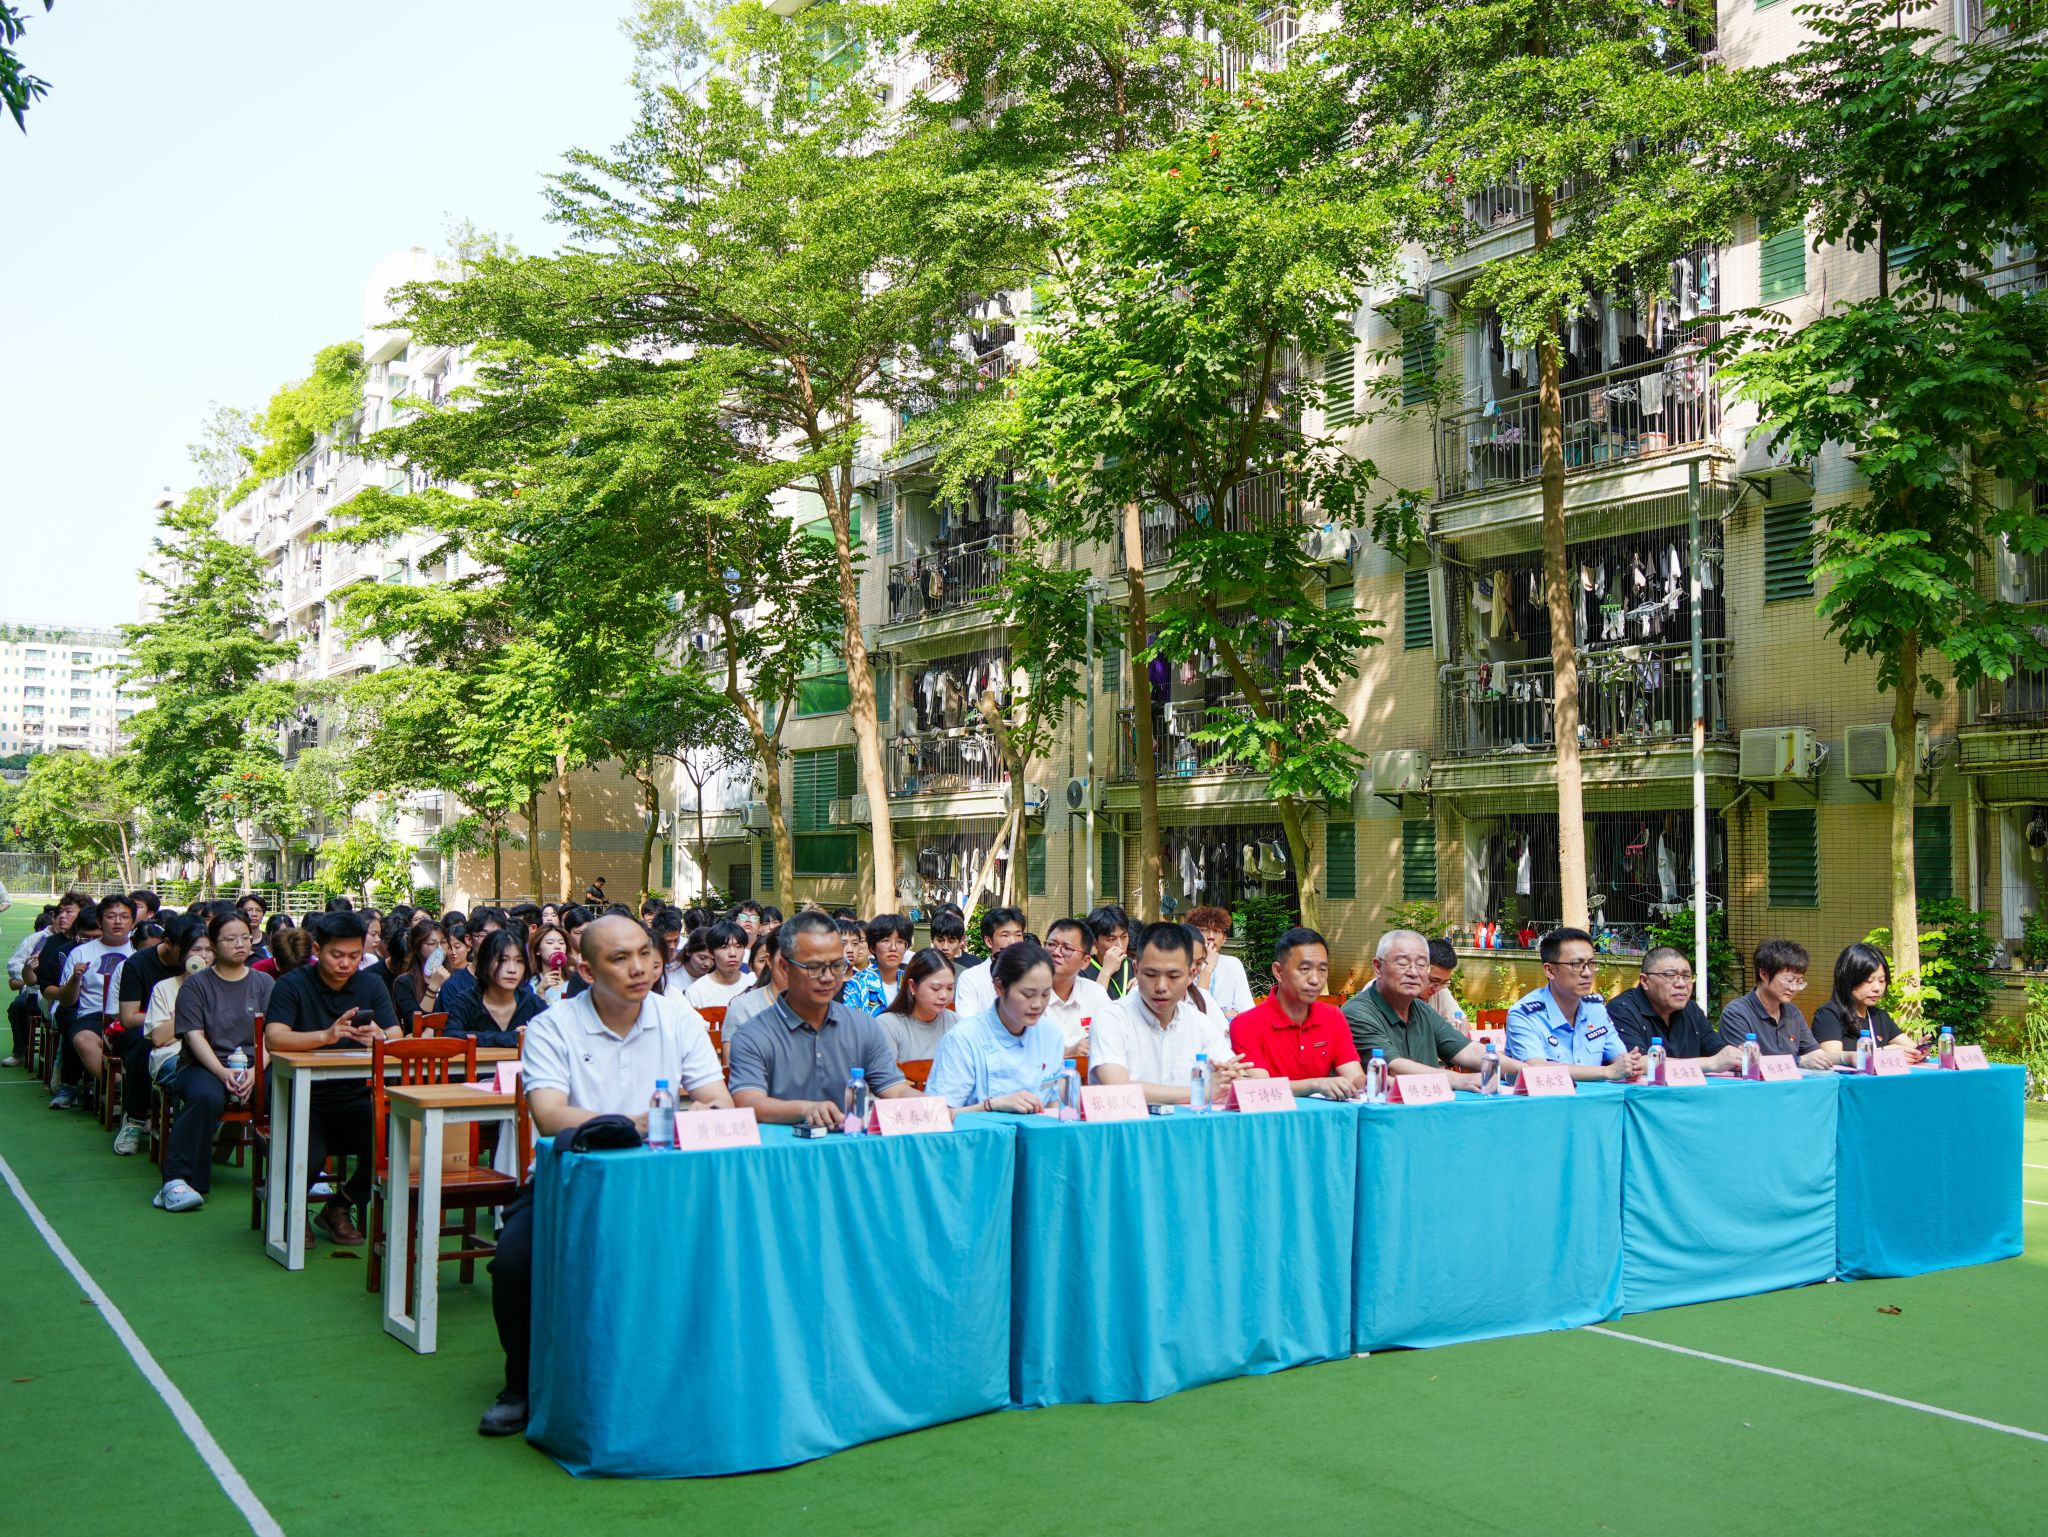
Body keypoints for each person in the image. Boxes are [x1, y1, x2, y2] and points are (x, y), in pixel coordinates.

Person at [482, 915, 735, 1437]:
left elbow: (718, 1101)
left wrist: (683, 1117)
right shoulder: (553, 1025)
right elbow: (550, 1115)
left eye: (644, 954)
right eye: (619, 959)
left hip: (664, 1181)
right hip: (569, 1180)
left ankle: (700, 1376)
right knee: (514, 1260)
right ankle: (520, 1386)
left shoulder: (678, 1018)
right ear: (586, 970)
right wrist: (635, 1123)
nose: (638, 968)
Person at [263, 912, 399, 1246]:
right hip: (300, 1096)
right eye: (336, 955)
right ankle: (293, 1208)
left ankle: (339, 1205)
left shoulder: (370, 984)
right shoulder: (292, 984)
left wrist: (380, 1036)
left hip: (355, 1095)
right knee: (310, 1157)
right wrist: (326, 1036)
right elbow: (274, 1038)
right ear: (317, 949)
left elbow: (396, 1036)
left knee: (394, 1143)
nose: (345, 964)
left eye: (354, 956)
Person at [727, 910, 923, 1127]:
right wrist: (806, 1109)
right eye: (814, 967)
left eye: (837, 966)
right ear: (785, 967)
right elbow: (748, 1101)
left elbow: (895, 1088)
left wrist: (929, 1105)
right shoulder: (753, 1034)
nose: (828, 977)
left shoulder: (862, 1026)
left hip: (850, 1144)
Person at [157, 911, 273, 1214]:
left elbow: (273, 1035)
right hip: (204, 1064)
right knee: (205, 1096)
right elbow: (194, 1035)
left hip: (256, 1064)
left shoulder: (264, 982)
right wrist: (223, 1073)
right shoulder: (196, 985)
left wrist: (254, 1072)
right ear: (214, 944)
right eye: (230, 939)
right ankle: (177, 1181)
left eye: (245, 938)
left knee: (287, 1090)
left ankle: (304, 1172)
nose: (240, 944)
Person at [1088, 922, 1262, 1104]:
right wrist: (1201, 1092)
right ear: (1136, 970)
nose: (1161, 987)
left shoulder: (1199, 1023)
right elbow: (1118, 1087)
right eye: (1151, 974)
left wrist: (1235, 1078)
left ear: (1191, 974)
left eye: (1173, 976)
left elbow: (1233, 1075)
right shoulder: (1111, 1019)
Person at [1345, 929, 1504, 1088]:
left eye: (1421, 965)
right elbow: (1392, 1067)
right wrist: (1459, 1079)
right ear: (1378, 967)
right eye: (1402, 963)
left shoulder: (1421, 1008)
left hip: (1431, 1098)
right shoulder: (1358, 1012)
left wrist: (1518, 1068)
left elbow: (1467, 1050)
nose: (1413, 972)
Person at [927, 941, 1065, 1111]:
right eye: (1028, 994)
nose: (1038, 1004)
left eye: (1045, 994)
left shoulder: (1050, 1034)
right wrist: (991, 1105)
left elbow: (1053, 1102)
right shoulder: (964, 1039)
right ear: (999, 987)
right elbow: (938, 1114)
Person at [1230, 927, 1367, 1098]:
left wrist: (1384, 1081)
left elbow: (1355, 1078)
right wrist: (1315, 1085)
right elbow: (1260, 1089)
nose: (1315, 980)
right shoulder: (1246, 1024)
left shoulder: (1332, 1017)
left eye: (1322, 970)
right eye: (1304, 969)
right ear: (1278, 971)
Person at [1506, 928, 1642, 1082]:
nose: (1587, 973)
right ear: (1550, 971)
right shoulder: (1525, 1015)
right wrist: (1607, 1072)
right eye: (1576, 964)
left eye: (1591, 964)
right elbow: (1536, 1068)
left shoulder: (1595, 1009)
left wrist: (1630, 1066)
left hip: (1597, 1096)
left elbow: (1619, 1058)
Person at [50, 894, 137, 1112]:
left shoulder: (140, 951)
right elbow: (67, 1001)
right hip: (94, 1014)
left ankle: (136, 1095)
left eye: (124, 916)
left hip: (133, 1014)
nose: (118, 922)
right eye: (111, 916)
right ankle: (120, 1087)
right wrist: (75, 978)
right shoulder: (81, 952)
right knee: (82, 1039)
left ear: (133, 921)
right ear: (99, 921)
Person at [111, 907, 187, 1152]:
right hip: (144, 1028)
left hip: (188, 1028)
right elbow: (128, 1017)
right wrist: (163, 1023)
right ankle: (134, 1119)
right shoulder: (138, 964)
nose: (194, 955)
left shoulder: (204, 965)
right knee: (142, 1044)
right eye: (185, 949)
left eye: (202, 948)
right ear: (168, 943)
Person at [1606, 945, 1741, 1069]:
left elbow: (1718, 1051)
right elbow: (1637, 1064)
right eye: (1670, 975)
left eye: (1686, 976)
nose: (1681, 984)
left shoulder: (1691, 1009)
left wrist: (1737, 1056)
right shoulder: (1621, 1009)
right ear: (1645, 981)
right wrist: (1712, 1063)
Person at [1717, 938, 1832, 1069]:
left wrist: (1844, 1057)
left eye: (1799, 982)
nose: (1794, 988)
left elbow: (1814, 1053)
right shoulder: (1736, 1013)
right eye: (1789, 980)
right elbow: (1746, 1062)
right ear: (1764, 974)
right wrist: (1798, 1060)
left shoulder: (1792, 1012)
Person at [1811, 942, 1924, 1064]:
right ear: (1848, 980)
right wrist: (1882, 1053)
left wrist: (1918, 1051)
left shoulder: (1880, 1016)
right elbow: (1831, 1057)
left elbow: (1910, 1047)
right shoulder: (1828, 1014)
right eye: (1869, 981)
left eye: (1882, 981)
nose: (1877, 988)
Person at [142, 916, 211, 1111]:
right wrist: (193, 1009)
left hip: (214, 1055)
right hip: (171, 1056)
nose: (203, 956)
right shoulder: (163, 988)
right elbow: (158, 1037)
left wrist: (177, 1030)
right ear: (183, 953)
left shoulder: (221, 987)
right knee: (193, 1083)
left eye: (209, 950)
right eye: (196, 950)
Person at [445, 929, 545, 1048]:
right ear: (486, 963)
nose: (512, 969)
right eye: (503, 960)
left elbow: (556, 1034)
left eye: (519, 961)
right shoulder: (465, 1002)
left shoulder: (532, 1003)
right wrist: (508, 1038)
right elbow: (451, 1036)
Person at [1039, 917, 1114, 1053]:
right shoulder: (1027, 993)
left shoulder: (1095, 994)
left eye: (1067, 948)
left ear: (1085, 961)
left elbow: (1113, 1039)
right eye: (1051, 944)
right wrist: (1068, 1052)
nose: (1056, 952)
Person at [876, 948, 959, 1062]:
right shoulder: (887, 1026)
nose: (944, 995)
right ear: (912, 986)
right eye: (935, 988)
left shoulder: (956, 1023)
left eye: (950, 988)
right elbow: (885, 1072)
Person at [952, 906, 1027, 1019]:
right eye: (1005, 935)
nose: (1013, 941)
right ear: (989, 941)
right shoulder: (970, 978)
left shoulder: (1031, 976)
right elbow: (966, 1024)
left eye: (1018, 935)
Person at [1188, 906, 1257, 1021]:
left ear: (1224, 938)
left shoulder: (1233, 965)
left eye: (1216, 931)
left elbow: (1248, 1012)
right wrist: (1223, 1016)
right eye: (1204, 930)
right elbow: (1195, 1015)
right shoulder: (1185, 965)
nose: (1210, 937)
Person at [841, 913, 911, 1016]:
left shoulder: (911, 982)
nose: (893, 948)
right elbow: (849, 1021)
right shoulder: (858, 983)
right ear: (872, 947)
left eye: (900, 941)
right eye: (886, 941)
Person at [391, 920, 454, 1031]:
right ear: (417, 947)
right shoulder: (404, 982)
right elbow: (415, 1023)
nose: (439, 948)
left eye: (443, 942)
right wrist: (433, 987)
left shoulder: (456, 977)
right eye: (431, 943)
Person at [685, 921, 753, 1011]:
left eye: (738, 946)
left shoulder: (754, 984)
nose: (733, 953)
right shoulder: (696, 992)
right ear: (711, 952)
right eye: (724, 947)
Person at [1081, 904, 1135, 998]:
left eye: (1124, 937)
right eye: (1111, 939)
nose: (1120, 946)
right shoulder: (1082, 970)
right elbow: (1091, 1005)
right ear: (1094, 942)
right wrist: (1106, 971)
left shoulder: (1135, 967)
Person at [1422, 937, 1470, 1028]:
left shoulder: (1441, 989)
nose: (1436, 988)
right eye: (1433, 980)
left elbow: (1462, 1023)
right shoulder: (1403, 998)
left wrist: (1459, 1026)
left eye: (1444, 982)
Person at [528, 922, 574, 1007]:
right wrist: (540, 992)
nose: (557, 946)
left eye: (561, 943)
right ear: (537, 950)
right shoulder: (529, 984)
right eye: (550, 943)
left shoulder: (575, 980)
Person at [930, 908, 969, 972]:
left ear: (959, 942)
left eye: (951, 941)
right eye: (940, 940)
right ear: (932, 939)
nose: (945, 947)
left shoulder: (965, 974)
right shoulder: (918, 972)